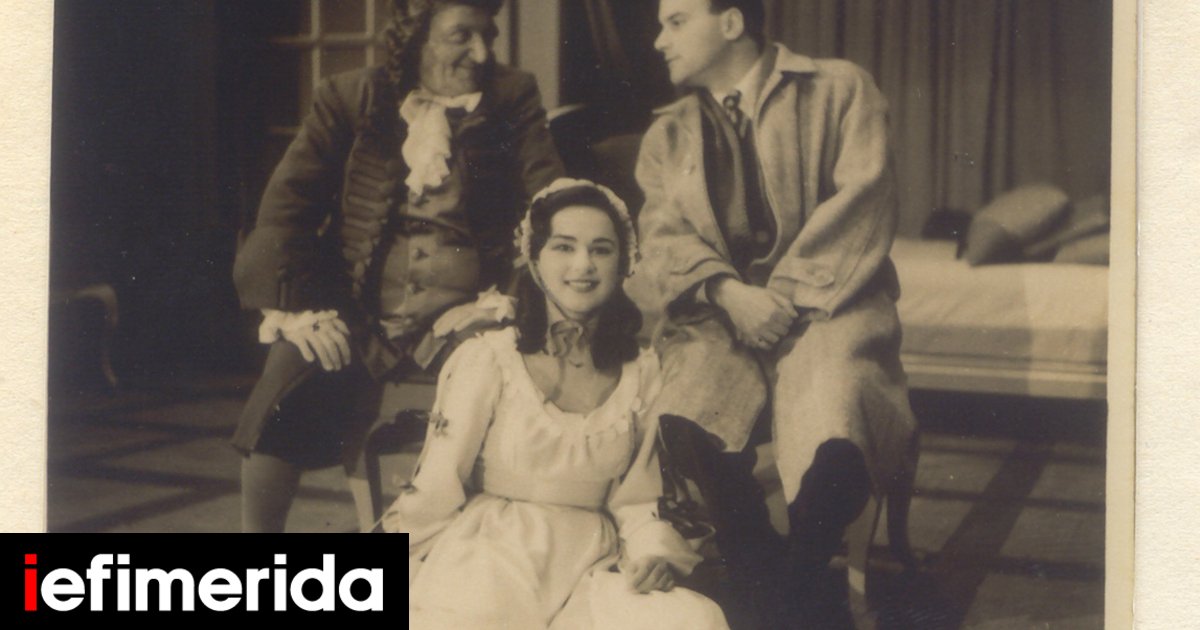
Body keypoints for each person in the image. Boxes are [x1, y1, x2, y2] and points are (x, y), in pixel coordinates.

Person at [629, 0, 919, 624]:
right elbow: (661, 237)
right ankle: (758, 565)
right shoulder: (667, 134)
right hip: (720, 314)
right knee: (685, 409)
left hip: (831, 304)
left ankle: (798, 578)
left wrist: (780, 300)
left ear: (731, 23)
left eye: (676, 22)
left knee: (837, 412)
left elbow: (864, 203)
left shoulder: (841, 90)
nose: (659, 41)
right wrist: (728, 294)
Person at [230, 0, 564, 533]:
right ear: (417, 36)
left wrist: (507, 295)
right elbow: (284, 211)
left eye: (489, 36)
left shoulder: (512, 96)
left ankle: (452, 557)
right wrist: (301, 312)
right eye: (461, 36)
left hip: (468, 315)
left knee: (500, 408)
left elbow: (551, 202)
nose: (480, 53)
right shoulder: (351, 96)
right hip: (357, 311)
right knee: (284, 394)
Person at [382, 179, 730, 629]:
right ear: (535, 259)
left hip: (593, 561)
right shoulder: (490, 359)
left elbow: (638, 498)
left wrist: (652, 554)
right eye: (564, 247)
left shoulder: (641, 371)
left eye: (601, 250)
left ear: (624, 263)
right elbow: (437, 486)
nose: (583, 265)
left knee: (690, 620)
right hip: (492, 556)